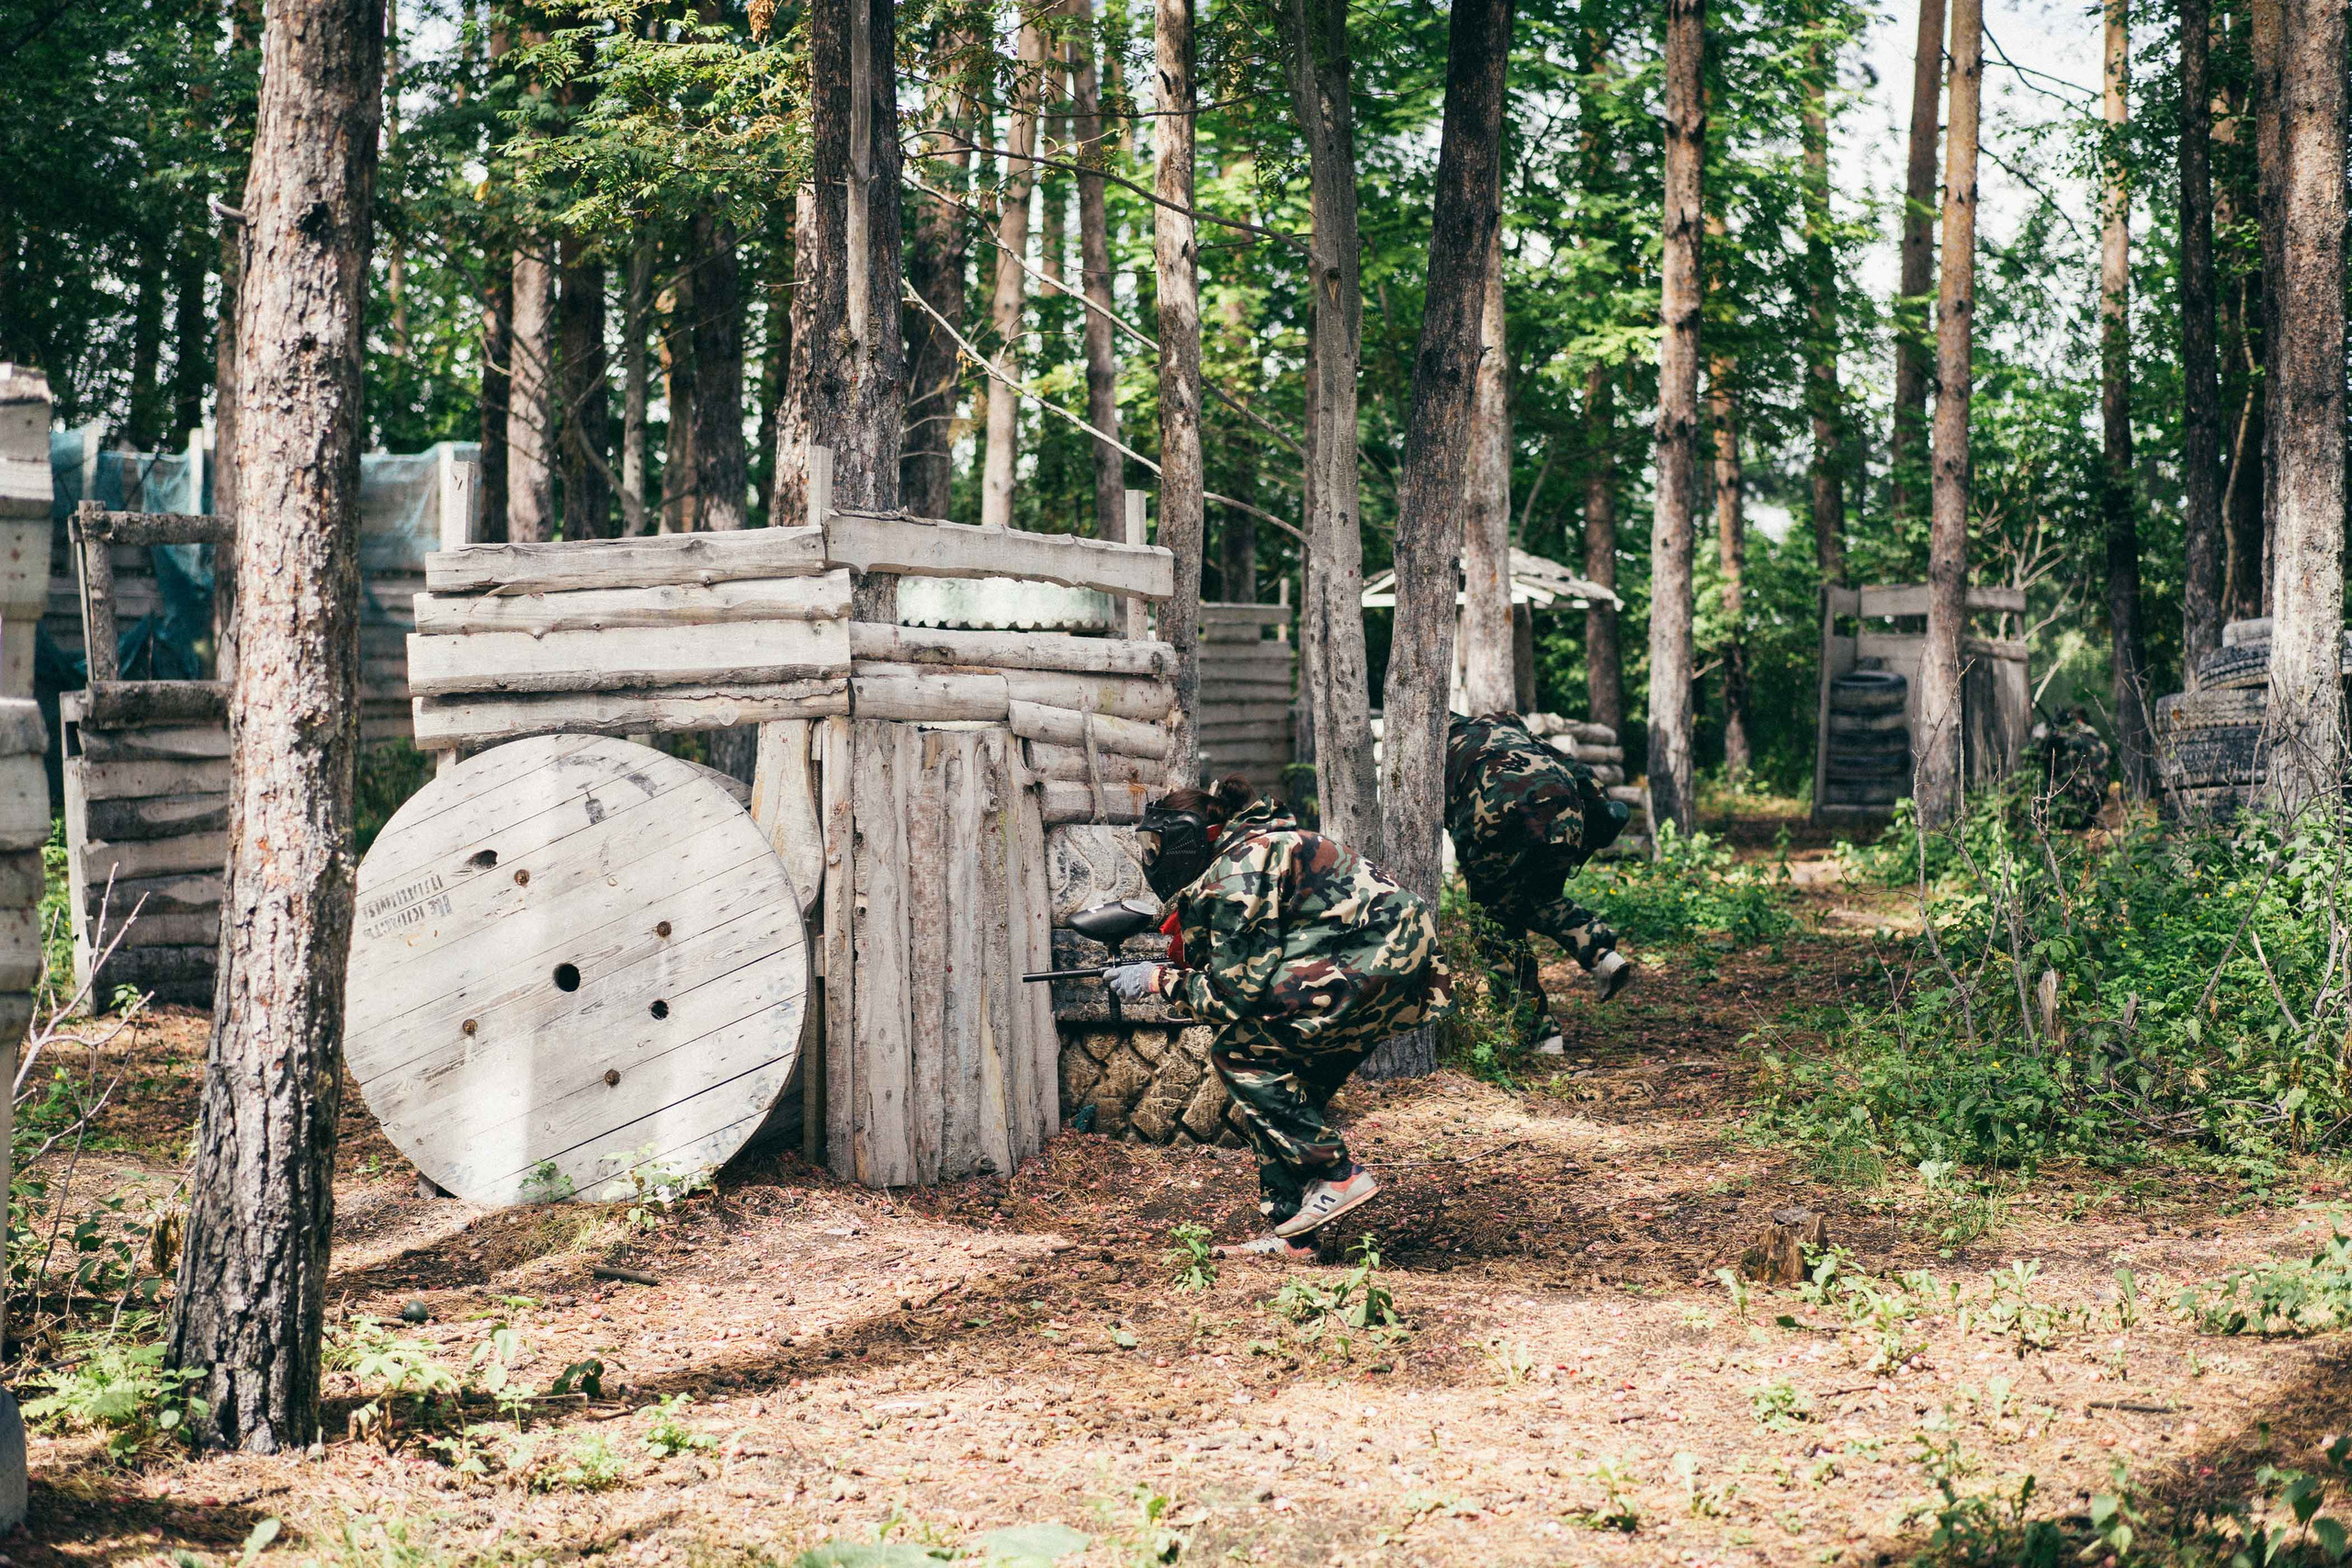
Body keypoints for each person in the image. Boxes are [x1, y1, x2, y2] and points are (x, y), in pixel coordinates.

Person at [1100, 777, 1452, 1247]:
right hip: (1392, 970)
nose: (1154, 857)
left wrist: (1155, 980)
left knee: (1242, 1056)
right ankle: (1293, 1232)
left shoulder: (1238, 869)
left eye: (1159, 845)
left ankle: (1336, 1175)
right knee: (1284, 1096)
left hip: (1370, 964)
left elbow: (1231, 996)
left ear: (1191, 837)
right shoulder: (1255, 847)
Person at [1445, 711, 1634, 1056]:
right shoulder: (1506, 730)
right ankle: (1601, 952)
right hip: (1563, 810)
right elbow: (1581, 775)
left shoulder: (1432, 745)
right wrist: (1601, 822)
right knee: (1540, 897)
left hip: (1498, 818)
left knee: (1493, 924)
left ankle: (1538, 1035)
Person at [2030, 706, 2112, 829]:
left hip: (2077, 799)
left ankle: (2067, 819)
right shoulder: (2094, 737)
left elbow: (2037, 754)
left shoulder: (2067, 737)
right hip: (2095, 798)